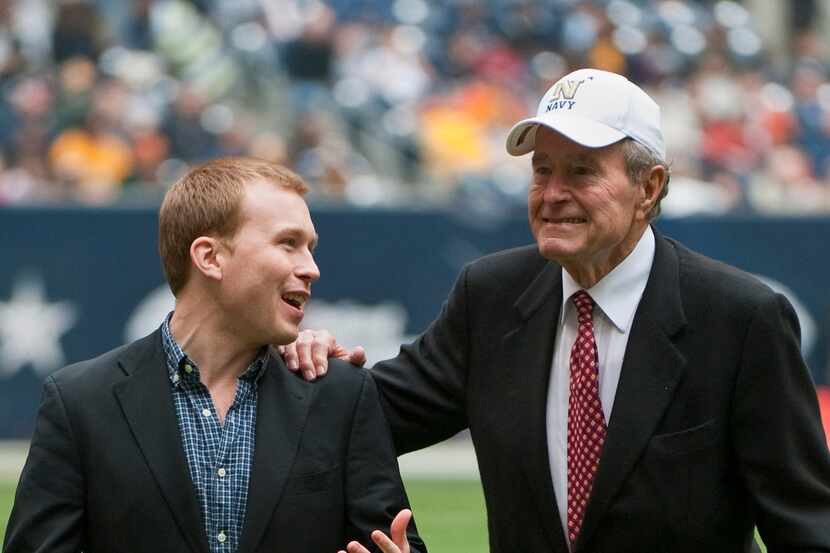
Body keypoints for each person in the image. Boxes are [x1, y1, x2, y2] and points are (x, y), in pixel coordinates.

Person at [285, 69, 830, 552]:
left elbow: (805, 524)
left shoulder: (740, 318)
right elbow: (367, 419)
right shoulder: (491, 296)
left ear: (650, 187)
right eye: (542, 170)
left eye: (581, 171)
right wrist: (313, 370)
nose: (552, 193)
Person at [3, 158, 424, 553]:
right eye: (288, 244)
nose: (311, 267)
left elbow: (396, 541)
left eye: (310, 247)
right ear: (210, 257)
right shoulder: (80, 403)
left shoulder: (343, 395)